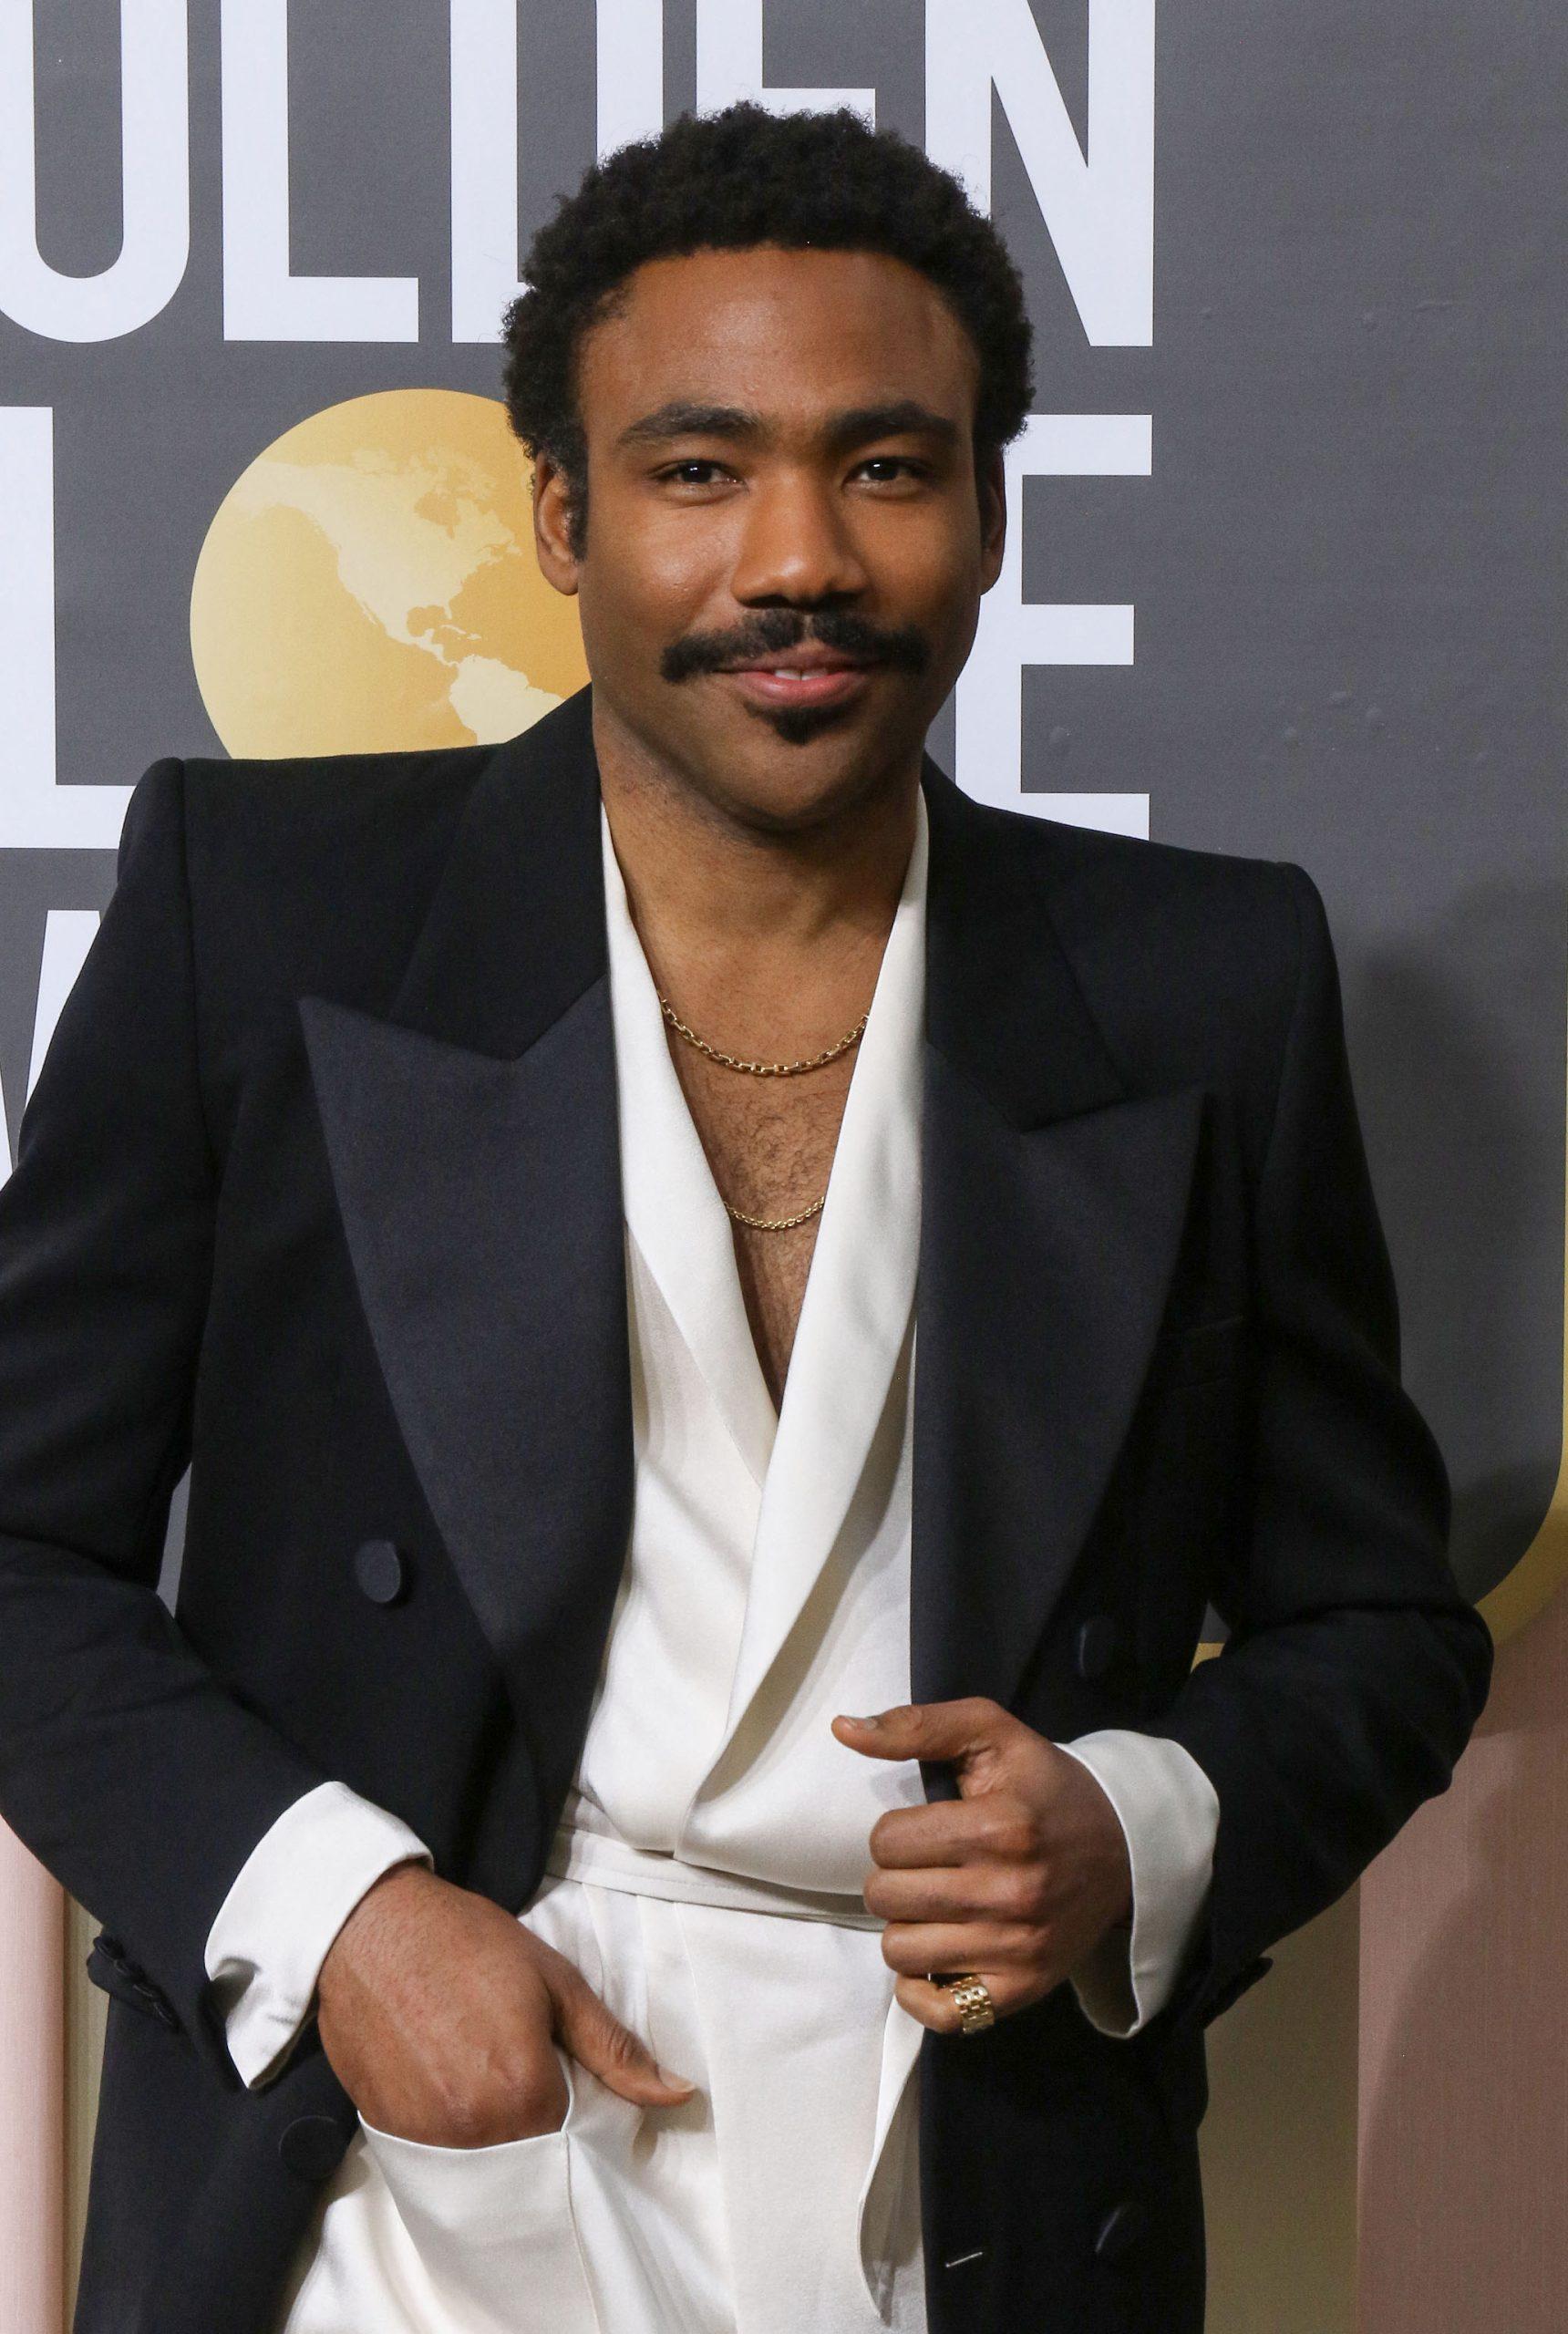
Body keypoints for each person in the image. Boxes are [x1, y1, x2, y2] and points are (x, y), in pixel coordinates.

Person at [0, 102, 1490, 2334]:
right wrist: (333, 1910)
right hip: (397, 2172)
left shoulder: (1203, 978)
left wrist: (1133, 1826)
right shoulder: (268, 912)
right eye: (699, 469)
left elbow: (1378, 1623)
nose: (795, 555)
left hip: (965, 2182)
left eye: (886, 466)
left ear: (985, 520)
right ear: (559, 517)